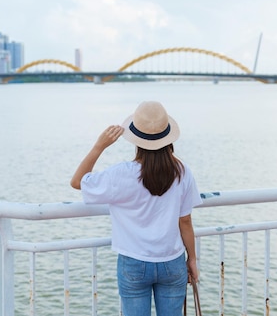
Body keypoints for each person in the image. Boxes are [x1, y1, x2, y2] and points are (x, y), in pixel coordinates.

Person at [71, 101, 202, 316]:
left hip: (133, 261)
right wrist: (192, 259)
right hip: (172, 261)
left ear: (136, 139)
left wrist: (99, 146)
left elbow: (77, 182)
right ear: (167, 137)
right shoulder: (182, 171)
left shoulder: (121, 174)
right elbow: (185, 221)